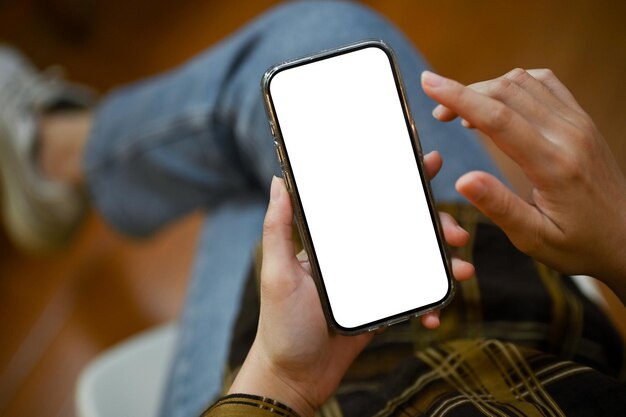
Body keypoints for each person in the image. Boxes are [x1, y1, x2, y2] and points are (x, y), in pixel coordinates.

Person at [0, 1, 624, 416]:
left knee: (264, 163)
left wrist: (281, 377)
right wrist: (617, 247)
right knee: (321, 49)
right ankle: (58, 157)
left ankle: (54, 154)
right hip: (535, 337)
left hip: (307, 398)